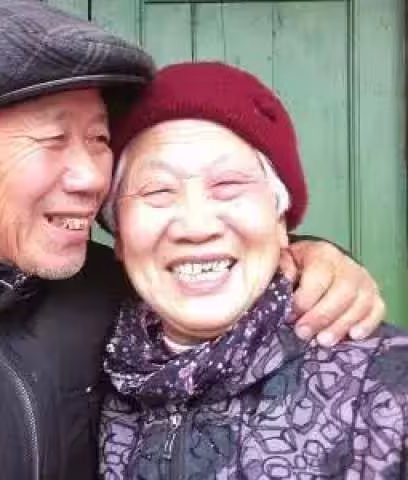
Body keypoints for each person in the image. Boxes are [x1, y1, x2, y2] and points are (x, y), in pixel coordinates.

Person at [0, 1, 384, 479]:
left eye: (98, 139)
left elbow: (214, 267)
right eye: (53, 140)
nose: (92, 178)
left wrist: (308, 257)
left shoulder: (124, 297)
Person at [99, 62, 406, 479]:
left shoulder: (384, 383)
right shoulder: (85, 365)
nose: (196, 226)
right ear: (119, 234)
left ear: (281, 221)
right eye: (157, 191)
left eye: (228, 185)